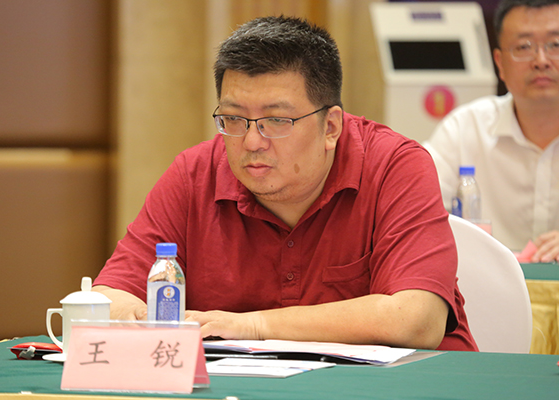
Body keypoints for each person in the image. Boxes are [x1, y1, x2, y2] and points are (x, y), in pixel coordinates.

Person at [93, 16, 477, 351]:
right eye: (233, 118)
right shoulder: (195, 174)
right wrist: (147, 320)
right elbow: (107, 297)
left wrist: (252, 326)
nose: (251, 141)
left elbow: (416, 320)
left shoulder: (395, 166)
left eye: (276, 120)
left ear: (331, 127)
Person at [424, 0, 559, 261]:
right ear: (500, 63)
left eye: (555, 45)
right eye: (524, 47)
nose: (541, 61)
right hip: (483, 284)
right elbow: (412, 214)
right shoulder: (464, 129)